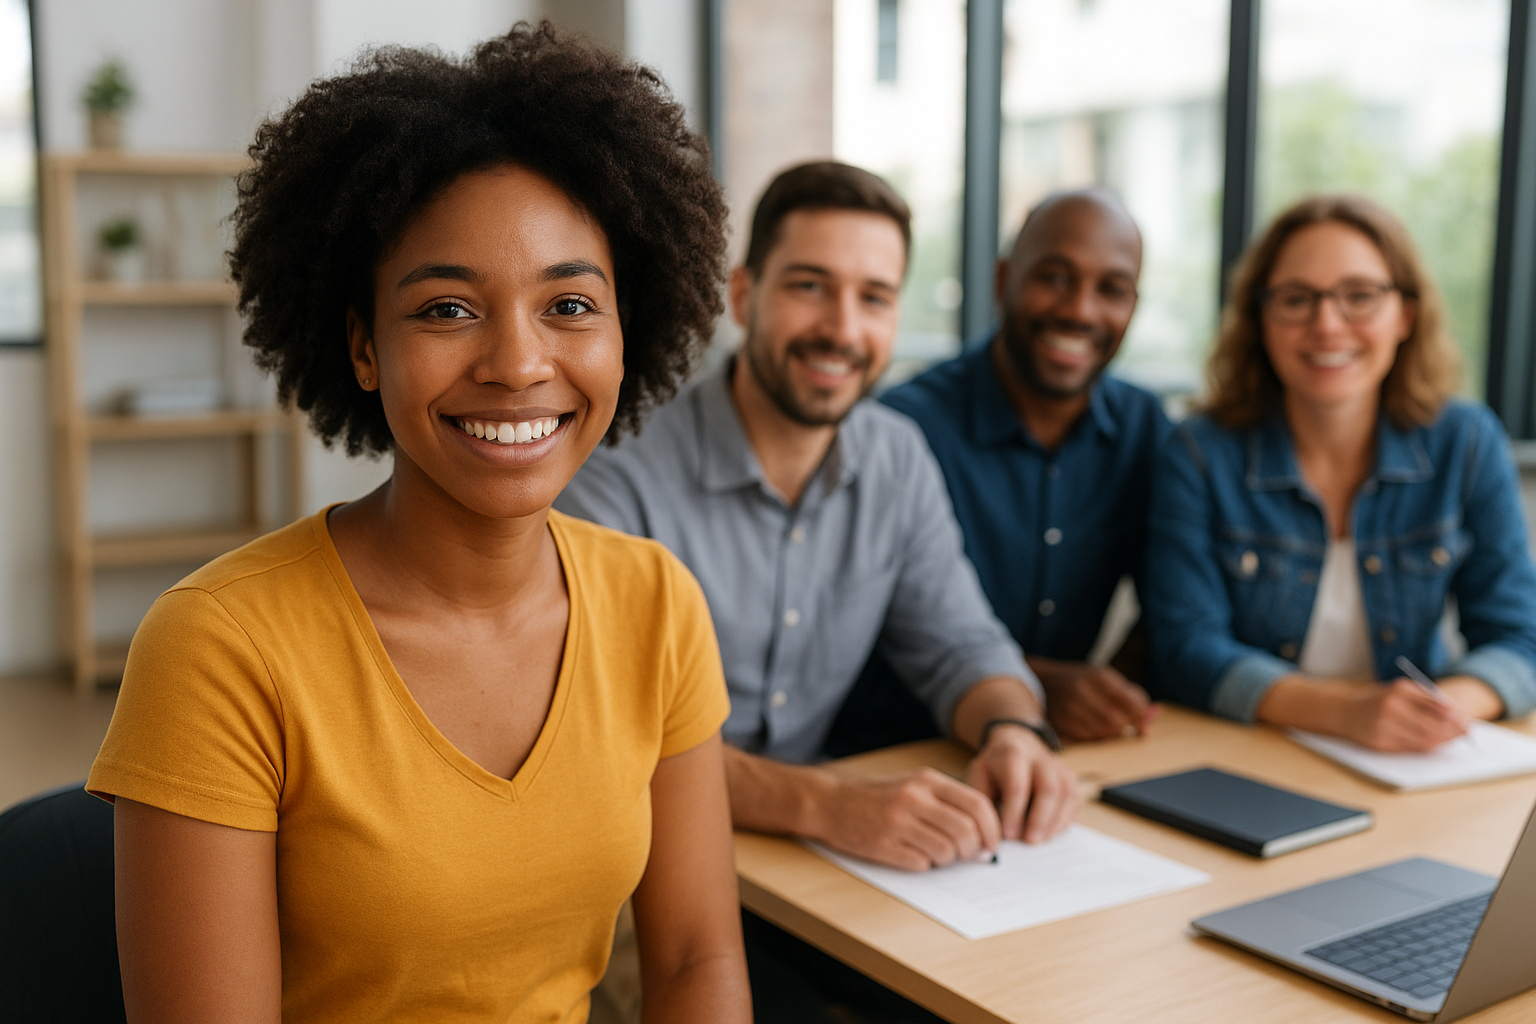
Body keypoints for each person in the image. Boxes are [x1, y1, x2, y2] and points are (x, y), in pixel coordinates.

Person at [86, 25, 750, 1024]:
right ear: (362, 346)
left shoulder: (654, 602)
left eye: (569, 302)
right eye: (447, 309)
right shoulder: (221, 647)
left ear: (629, 327)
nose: (518, 363)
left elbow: (697, 960)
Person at [558, 162, 1079, 1023]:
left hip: (803, 872)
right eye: (811, 287)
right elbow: (602, 747)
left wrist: (1013, 729)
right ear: (743, 295)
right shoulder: (617, 468)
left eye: (874, 297)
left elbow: (960, 645)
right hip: (624, 872)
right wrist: (822, 802)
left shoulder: (896, 456)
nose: (842, 328)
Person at [1145, 194, 1536, 751]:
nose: (1327, 325)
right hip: (1251, 753)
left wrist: (1440, 711)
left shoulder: (1467, 441)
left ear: (1405, 314)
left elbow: (1519, 634)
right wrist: (1345, 712)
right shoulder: (1199, 452)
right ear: (1261, 319)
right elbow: (1184, 649)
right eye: (1296, 299)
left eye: (1359, 296)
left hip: (1414, 761)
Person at [866, 188, 1169, 745]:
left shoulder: (1144, 427)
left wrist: (1108, 690)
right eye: (1054, 277)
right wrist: (1037, 685)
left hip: (1061, 757)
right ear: (1003, 281)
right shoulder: (901, 431)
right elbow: (862, 633)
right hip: (904, 749)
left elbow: (1172, 599)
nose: (1080, 310)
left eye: (1112, 290)